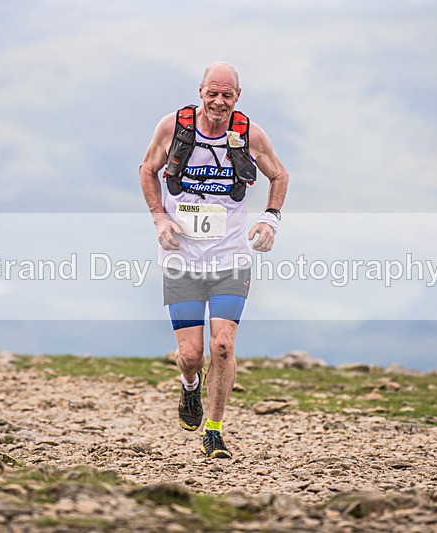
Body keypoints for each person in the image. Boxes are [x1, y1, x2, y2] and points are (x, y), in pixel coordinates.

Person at [139, 62, 289, 459]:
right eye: (212, 93)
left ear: (237, 97)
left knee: (222, 346)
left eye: (227, 95)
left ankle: (215, 430)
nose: (218, 102)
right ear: (201, 91)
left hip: (230, 258)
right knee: (192, 355)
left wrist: (271, 219)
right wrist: (159, 217)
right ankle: (190, 386)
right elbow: (147, 169)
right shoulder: (173, 127)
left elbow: (280, 175)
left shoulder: (249, 134)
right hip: (181, 258)